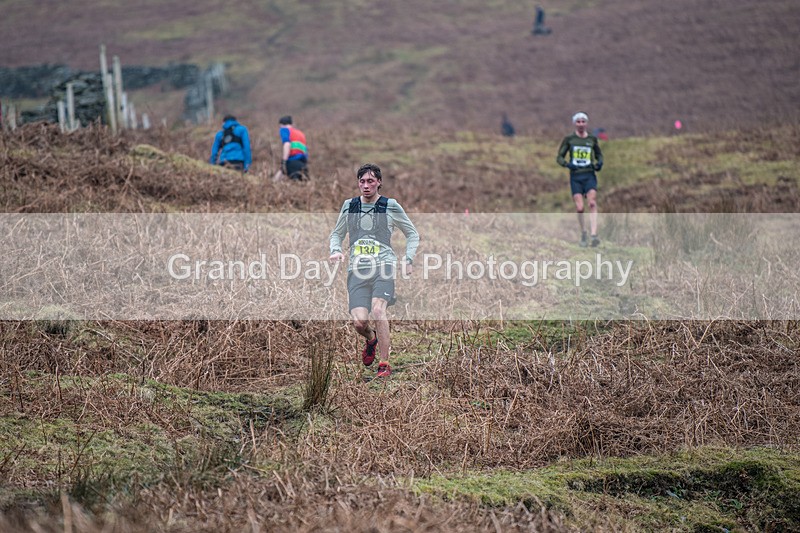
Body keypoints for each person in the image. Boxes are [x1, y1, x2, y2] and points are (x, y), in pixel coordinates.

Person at [328, 163, 419, 378]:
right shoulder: (349, 206)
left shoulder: (390, 205)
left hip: (384, 265)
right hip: (357, 269)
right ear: (358, 183)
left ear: (379, 182)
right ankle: (371, 339)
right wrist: (336, 250)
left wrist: (408, 259)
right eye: (362, 181)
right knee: (359, 322)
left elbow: (412, 233)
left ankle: (384, 363)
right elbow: (336, 234)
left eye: (370, 181)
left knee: (378, 310)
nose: (366, 185)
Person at [557, 112, 604, 247]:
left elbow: (599, 154)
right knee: (580, 208)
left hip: (589, 175)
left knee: (592, 204)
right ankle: (583, 233)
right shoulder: (569, 139)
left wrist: (599, 163)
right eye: (578, 122)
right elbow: (559, 157)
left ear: (587, 123)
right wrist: (567, 164)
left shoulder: (592, 139)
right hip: (576, 177)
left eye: (583, 121)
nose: (581, 124)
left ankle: (594, 235)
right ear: (574, 123)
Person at [274, 115, 309, 181]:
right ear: (291, 124)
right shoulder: (301, 133)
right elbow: (305, 150)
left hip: (292, 162)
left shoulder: (284, 130)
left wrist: (284, 161)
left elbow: (287, 144)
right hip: (303, 164)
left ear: (281, 125)